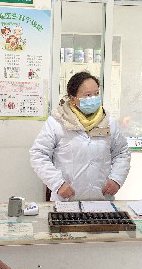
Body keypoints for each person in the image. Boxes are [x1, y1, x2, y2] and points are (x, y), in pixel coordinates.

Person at [30, 71, 130, 201]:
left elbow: (122, 153)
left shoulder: (108, 121)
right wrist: (57, 183)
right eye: (88, 95)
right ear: (72, 99)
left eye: (96, 94)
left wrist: (116, 179)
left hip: (102, 198)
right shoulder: (57, 122)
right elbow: (38, 154)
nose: (93, 98)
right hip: (67, 200)